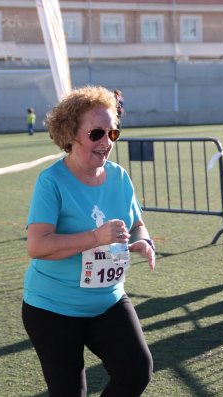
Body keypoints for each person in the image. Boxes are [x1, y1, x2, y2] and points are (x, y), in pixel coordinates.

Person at [21, 86, 155, 396]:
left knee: (136, 371)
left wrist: (144, 241)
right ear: (70, 134)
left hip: (108, 300)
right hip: (53, 308)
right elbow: (37, 246)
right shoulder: (51, 181)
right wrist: (97, 237)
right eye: (97, 133)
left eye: (113, 133)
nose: (106, 142)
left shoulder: (120, 177)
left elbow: (137, 224)